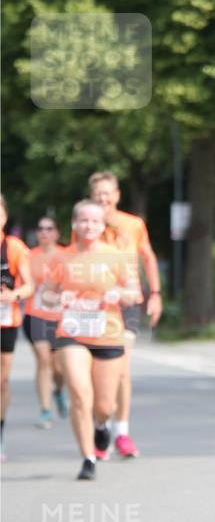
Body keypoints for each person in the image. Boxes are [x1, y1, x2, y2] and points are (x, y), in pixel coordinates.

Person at [43, 199, 142, 480]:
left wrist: (119, 295)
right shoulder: (61, 257)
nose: (89, 226)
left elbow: (134, 293)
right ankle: (88, 457)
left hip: (108, 334)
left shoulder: (116, 256)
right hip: (72, 333)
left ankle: (101, 425)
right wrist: (59, 298)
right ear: (74, 224)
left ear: (102, 226)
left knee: (104, 405)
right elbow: (46, 295)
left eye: (95, 221)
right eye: (83, 220)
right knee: (79, 393)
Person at [87, 171, 162, 459]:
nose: (103, 199)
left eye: (108, 194)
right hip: (97, 304)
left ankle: (122, 433)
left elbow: (148, 257)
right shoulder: (86, 225)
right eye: (98, 195)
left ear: (116, 195)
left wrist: (154, 294)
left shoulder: (133, 225)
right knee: (100, 372)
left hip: (129, 300)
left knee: (121, 369)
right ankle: (100, 426)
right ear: (92, 197)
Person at [23, 216, 68, 428]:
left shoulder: (68, 255)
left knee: (59, 368)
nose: (44, 232)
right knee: (43, 360)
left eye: (49, 228)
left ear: (57, 233)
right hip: (36, 315)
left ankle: (58, 391)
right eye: (40, 228)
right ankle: (45, 410)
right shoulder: (29, 256)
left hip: (61, 318)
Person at [1, 194, 34, 460]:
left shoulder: (13, 247)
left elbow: (29, 285)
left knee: (1, 382)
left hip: (5, 321)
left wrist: (14, 295)